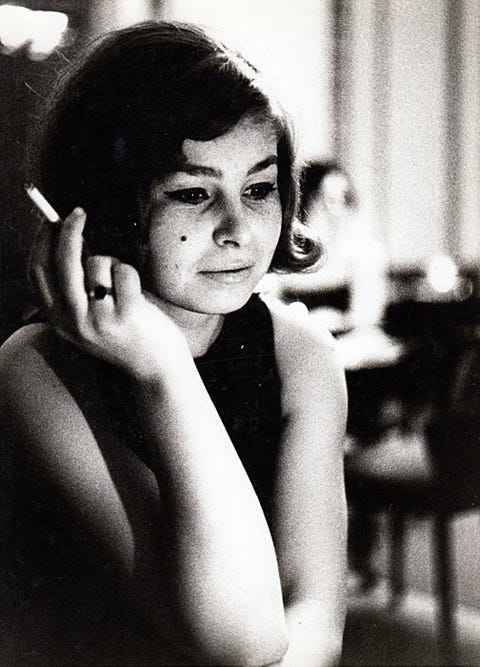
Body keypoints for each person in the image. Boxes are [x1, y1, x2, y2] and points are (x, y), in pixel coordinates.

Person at [0, 22, 347, 666]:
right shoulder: (34, 368)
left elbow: (315, 620)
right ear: (106, 209)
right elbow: (238, 637)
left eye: (259, 189)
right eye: (193, 193)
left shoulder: (303, 357)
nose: (239, 229)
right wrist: (165, 369)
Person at [262, 160, 387, 332]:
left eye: (344, 199)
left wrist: (327, 322)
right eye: (327, 200)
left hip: (349, 340)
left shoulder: (365, 252)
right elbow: (267, 311)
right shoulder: (281, 253)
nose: (336, 212)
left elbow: (367, 319)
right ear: (303, 205)